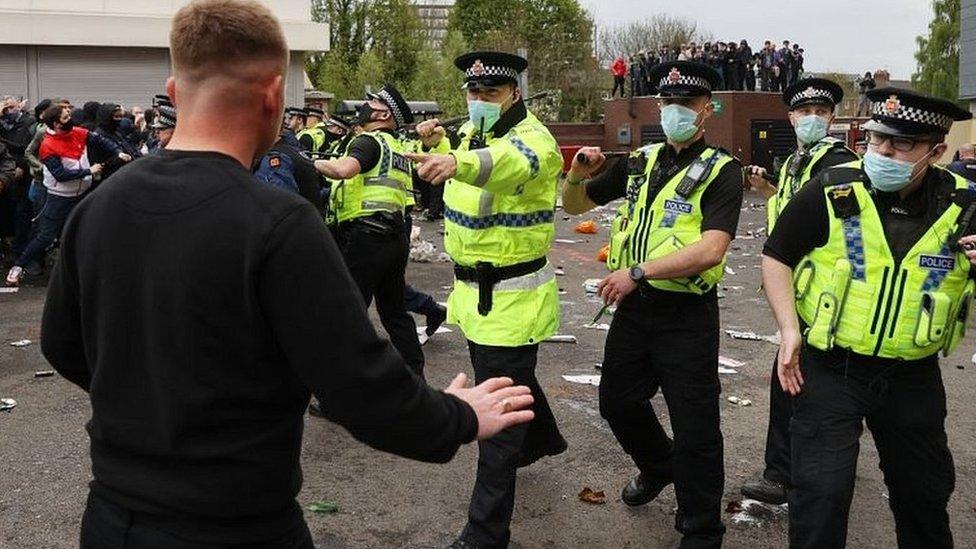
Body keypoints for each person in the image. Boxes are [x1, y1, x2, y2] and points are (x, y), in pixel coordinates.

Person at [40, 2, 536, 548]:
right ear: (274, 95)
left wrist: (151, 399)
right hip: (238, 525)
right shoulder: (277, 223)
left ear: (175, 92)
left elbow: (62, 345)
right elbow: (360, 389)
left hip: (111, 519)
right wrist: (458, 418)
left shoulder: (100, 206)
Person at [762, 87, 972, 548]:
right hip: (831, 370)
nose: (883, 151)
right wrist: (789, 329)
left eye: (900, 145)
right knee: (820, 497)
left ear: (936, 152)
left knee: (924, 497)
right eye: (878, 139)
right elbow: (776, 255)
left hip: (912, 377)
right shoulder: (833, 187)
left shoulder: (966, 207)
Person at [561, 60, 744, 548]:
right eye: (668, 103)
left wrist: (638, 272)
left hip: (686, 315)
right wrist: (577, 174)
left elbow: (712, 248)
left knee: (696, 425)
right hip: (637, 310)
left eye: (686, 104)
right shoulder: (640, 161)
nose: (675, 112)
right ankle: (659, 465)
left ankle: (702, 527)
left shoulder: (723, 171)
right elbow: (575, 207)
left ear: (707, 110)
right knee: (617, 402)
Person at [407, 50, 568, 549]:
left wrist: (455, 159)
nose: (479, 100)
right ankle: (541, 439)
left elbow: (504, 164)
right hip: (474, 295)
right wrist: (443, 142)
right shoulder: (476, 133)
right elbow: (475, 156)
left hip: (513, 300)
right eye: (472, 93)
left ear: (514, 94)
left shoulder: (533, 140)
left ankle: (485, 533)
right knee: (505, 384)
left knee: (495, 421)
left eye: (490, 93)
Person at [741, 78, 858, 505]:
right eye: (804, 112)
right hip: (798, 289)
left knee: (795, 381)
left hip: (825, 293)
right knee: (805, 381)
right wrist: (769, 190)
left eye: (820, 112)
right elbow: (792, 216)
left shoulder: (839, 162)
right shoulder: (796, 162)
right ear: (791, 117)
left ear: (832, 118)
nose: (812, 119)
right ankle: (806, 464)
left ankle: (785, 474)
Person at [313, 84, 426, 376]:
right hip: (395, 237)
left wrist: (312, 162)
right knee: (394, 312)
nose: (364, 105)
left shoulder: (370, 141)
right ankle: (416, 379)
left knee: (348, 314)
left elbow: (343, 170)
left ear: (383, 113)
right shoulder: (397, 149)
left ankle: (341, 391)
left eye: (371, 102)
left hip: (367, 238)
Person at [5, 103, 130, 286]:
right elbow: (60, 175)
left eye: (69, 115)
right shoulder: (48, 145)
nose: (70, 119)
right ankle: (18, 267)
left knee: (88, 229)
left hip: (84, 193)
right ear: (56, 124)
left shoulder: (78, 132)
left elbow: (102, 141)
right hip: (59, 198)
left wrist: (119, 152)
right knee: (46, 236)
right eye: (65, 117)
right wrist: (89, 171)